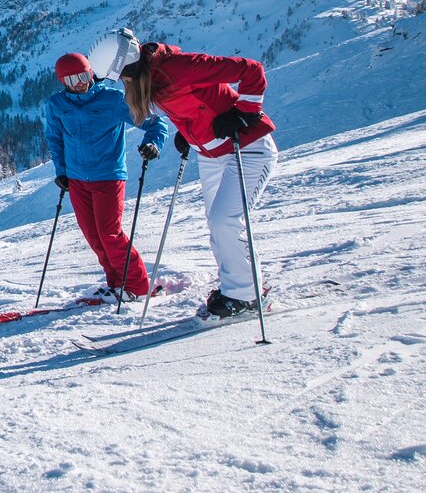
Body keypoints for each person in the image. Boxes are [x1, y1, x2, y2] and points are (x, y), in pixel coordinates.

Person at [119, 42, 278, 319]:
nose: (122, 81)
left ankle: (247, 296)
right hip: (212, 154)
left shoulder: (181, 67)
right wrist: (190, 134)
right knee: (218, 224)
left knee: (225, 220)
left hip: (247, 148)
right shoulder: (150, 77)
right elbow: (195, 105)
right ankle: (236, 286)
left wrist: (245, 113)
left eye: (122, 75)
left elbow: (251, 70)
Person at [43, 51, 168, 302]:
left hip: (108, 177)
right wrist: (62, 171)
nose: (78, 82)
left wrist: (153, 143)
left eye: (83, 75)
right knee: (94, 236)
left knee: (110, 234)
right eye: (70, 80)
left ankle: (137, 285)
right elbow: (54, 139)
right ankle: (116, 283)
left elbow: (154, 123)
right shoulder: (57, 105)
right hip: (78, 179)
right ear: (62, 82)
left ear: (91, 72)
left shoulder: (112, 100)